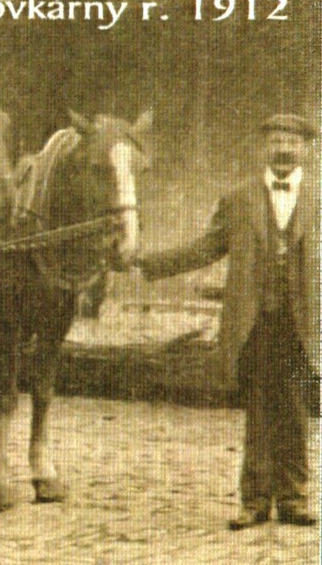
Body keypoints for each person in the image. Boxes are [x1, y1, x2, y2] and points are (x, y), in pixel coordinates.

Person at [134, 113, 318, 530]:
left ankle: (294, 499)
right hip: (254, 323)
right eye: (276, 140)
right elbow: (205, 248)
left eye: (291, 141)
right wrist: (149, 264)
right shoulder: (239, 199)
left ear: (306, 149)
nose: (284, 148)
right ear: (264, 147)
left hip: (303, 325)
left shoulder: (320, 199)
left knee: (295, 410)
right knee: (258, 411)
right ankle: (255, 501)